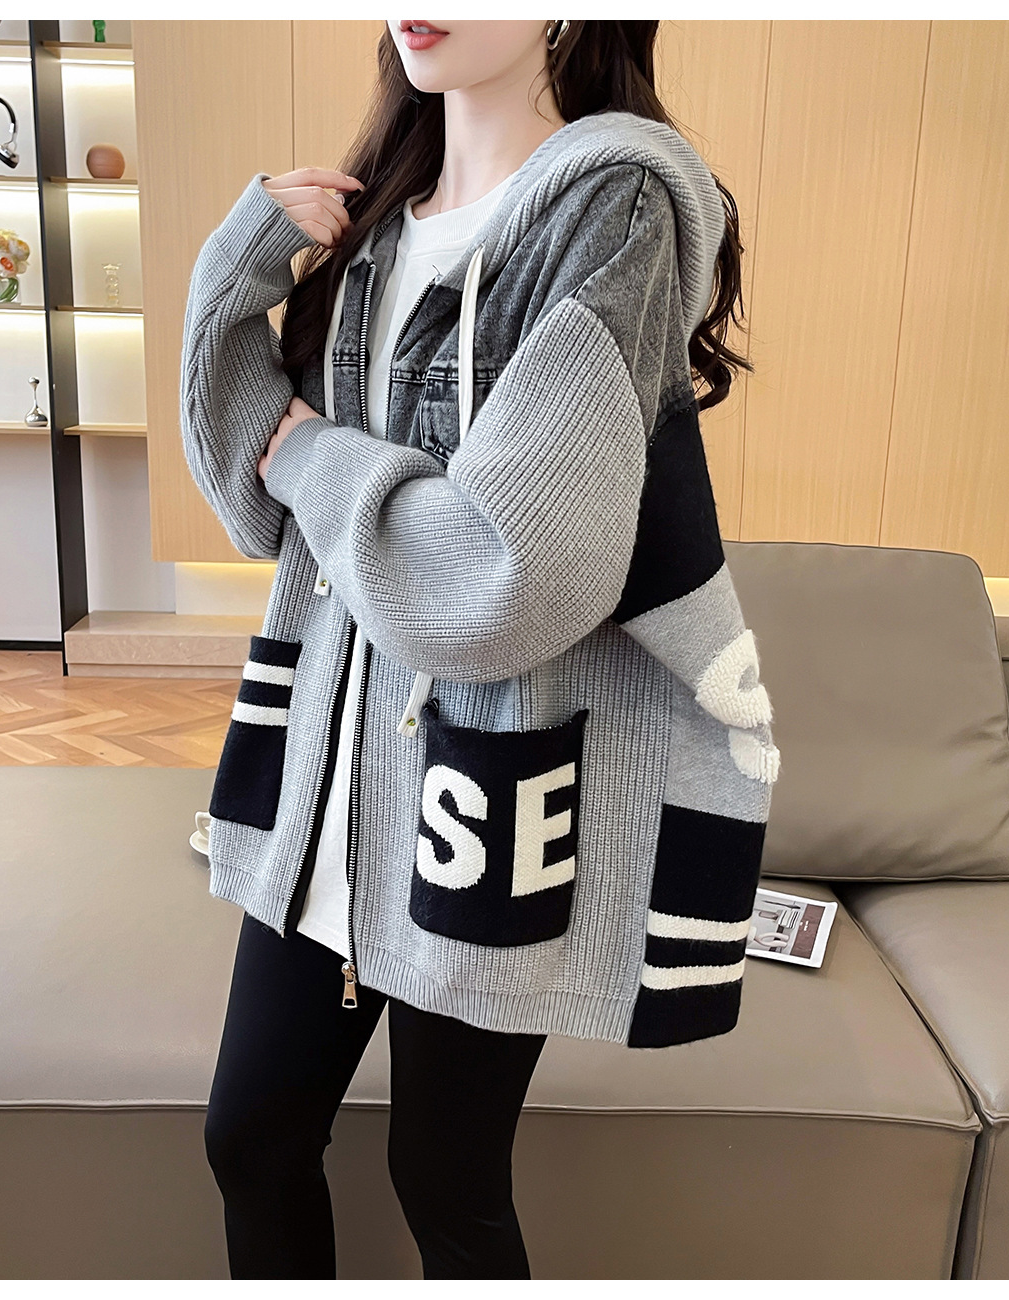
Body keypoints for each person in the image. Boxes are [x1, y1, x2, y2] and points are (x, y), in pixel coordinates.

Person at [183, 18, 781, 1281]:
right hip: (327, 781)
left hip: (483, 799)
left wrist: (312, 454)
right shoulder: (370, 230)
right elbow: (255, 499)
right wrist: (237, 272)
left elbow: (499, 580)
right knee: (249, 1138)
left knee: (444, 1177)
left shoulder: (611, 211)